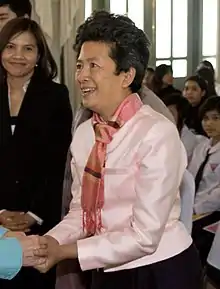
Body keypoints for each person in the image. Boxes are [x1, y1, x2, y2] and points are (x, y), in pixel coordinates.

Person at [33, 11, 201, 289]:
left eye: (93, 66)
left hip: (161, 270)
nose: (82, 76)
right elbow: (82, 212)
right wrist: (50, 242)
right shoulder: (87, 133)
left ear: (126, 75)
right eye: (79, 66)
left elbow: (145, 236)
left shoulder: (156, 132)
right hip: (105, 266)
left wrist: (64, 252)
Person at [0, 18, 72, 289]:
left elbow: (59, 164)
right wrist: (2, 212)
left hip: (40, 223)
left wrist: (33, 214)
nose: (18, 56)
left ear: (39, 55)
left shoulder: (55, 96)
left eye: (28, 49)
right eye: (10, 46)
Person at [188, 96, 220, 265]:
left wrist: (196, 208)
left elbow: (218, 195)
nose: (209, 124)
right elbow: (190, 177)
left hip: (212, 211)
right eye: (206, 119)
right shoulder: (202, 147)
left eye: (216, 118)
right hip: (192, 206)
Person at [161, 93, 200, 163]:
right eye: (164, 111)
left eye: (170, 113)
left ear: (182, 117)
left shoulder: (189, 140)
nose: (165, 116)